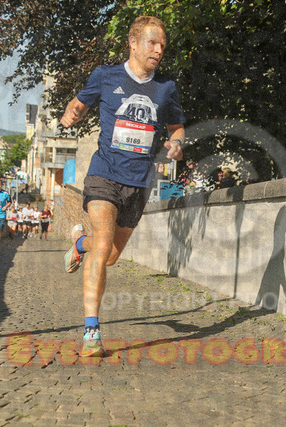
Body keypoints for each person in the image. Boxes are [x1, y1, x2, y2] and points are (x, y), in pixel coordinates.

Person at [60, 15, 185, 358]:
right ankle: (91, 333)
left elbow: (176, 127)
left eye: (162, 45)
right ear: (132, 42)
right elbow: (79, 104)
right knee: (103, 245)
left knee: (111, 256)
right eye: (152, 43)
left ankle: (79, 243)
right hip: (104, 173)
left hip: (139, 182)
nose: (158, 50)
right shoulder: (105, 76)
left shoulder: (166, 88)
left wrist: (176, 143)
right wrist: (71, 113)